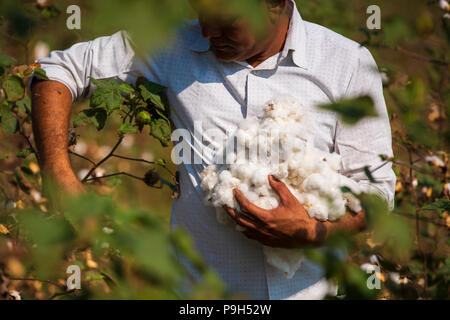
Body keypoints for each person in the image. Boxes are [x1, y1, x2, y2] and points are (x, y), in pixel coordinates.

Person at [31, 0, 396, 299]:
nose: (206, 32)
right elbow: (56, 70)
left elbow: (379, 193)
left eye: (225, 19)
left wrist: (314, 232)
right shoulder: (172, 47)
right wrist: (59, 176)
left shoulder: (346, 64)